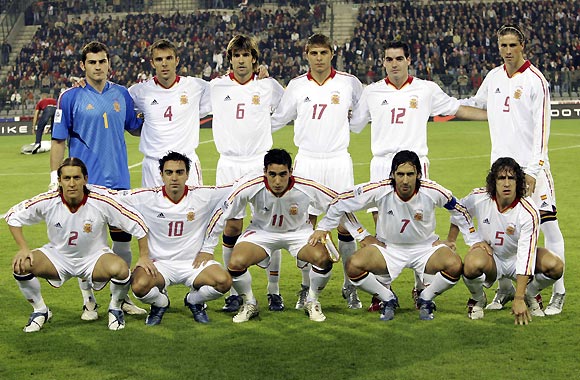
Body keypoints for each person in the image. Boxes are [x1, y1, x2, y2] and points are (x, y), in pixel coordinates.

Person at [349, 40, 487, 311]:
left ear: (409, 60)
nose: (394, 64)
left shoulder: (425, 89)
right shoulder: (372, 92)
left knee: (419, 224)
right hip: (382, 165)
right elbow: (353, 124)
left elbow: (456, 109)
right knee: (382, 230)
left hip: (416, 166)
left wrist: (495, 116)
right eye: (389, 59)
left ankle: (420, 285)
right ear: (383, 62)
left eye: (399, 58)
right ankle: (383, 290)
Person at [460, 24, 566, 315]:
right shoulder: (493, 76)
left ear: (523, 46)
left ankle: (559, 291)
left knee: (548, 228)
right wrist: (446, 104)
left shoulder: (536, 81)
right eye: (502, 45)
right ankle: (508, 289)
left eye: (512, 45)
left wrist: (533, 170)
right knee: (504, 232)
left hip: (531, 170)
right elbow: (478, 104)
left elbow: (542, 132)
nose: (507, 51)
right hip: (501, 172)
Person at [202, 149, 370, 323]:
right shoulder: (250, 185)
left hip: (299, 233)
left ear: (291, 172)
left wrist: (360, 234)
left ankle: (311, 301)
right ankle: (250, 303)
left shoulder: (306, 186)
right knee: (235, 263)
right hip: (261, 233)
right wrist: (207, 248)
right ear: (265, 172)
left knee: (323, 258)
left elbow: (338, 203)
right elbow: (221, 213)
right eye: (272, 174)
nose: (277, 181)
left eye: (283, 174)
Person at [310, 150, 480, 321]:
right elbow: (340, 201)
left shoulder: (433, 190)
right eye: (400, 174)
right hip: (388, 249)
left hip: (425, 248)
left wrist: (462, 239)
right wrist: (360, 234)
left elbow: (459, 209)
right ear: (392, 175)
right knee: (353, 266)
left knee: (455, 265)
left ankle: (426, 298)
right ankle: (387, 298)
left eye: (410, 174)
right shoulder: (380, 189)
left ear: (419, 175)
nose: (405, 180)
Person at [50, 41, 147, 318]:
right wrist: (54, 178)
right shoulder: (70, 97)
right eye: (92, 62)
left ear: (108, 64)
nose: (97, 67)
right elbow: (58, 140)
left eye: (102, 61)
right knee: (85, 245)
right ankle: (88, 300)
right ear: (83, 66)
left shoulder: (122, 94)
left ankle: (122, 298)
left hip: (119, 182)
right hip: (86, 186)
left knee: (122, 243)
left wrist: (154, 117)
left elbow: (135, 127)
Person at [6, 158, 155, 332]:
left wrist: (144, 256)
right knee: (21, 265)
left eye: (76, 178)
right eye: (67, 178)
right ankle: (40, 310)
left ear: (85, 179)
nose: (72, 183)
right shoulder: (48, 200)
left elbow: (137, 222)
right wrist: (23, 248)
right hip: (58, 257)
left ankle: (115, 307)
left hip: (94, 259)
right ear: (59, 181)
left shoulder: (101, 200)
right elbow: (13, 215)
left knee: (121, 269)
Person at [271, 33, 365, 310]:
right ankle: (305, 287)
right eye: (314, 53)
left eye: (324, 53)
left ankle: (350, 287)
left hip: (338, 160)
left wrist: (350, 121)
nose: (319, 58)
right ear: (306, 54)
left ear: (332, 54)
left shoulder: (349, 82)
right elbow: (278, 118)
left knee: (346, 225)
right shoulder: (297, 86)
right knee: (305, 227)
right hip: (308, 162)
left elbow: (361, 114)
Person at [209, 35, 285, 313]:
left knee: (270, 226)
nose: (241, 60)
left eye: (246, 55)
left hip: (258, 164)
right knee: (231, 227)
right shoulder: (216, 87)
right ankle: (231, 291)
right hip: (228, 164)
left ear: (254, 58)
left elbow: (286, 108)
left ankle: (273, 291)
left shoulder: (268, 86)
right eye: (236, 56)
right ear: (230, 59)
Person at [115, 152, 232, 325]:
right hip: (159, 264)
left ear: (187, 174)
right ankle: (160, 303)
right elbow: (111, 198)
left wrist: (208, 248)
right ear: (161, 175)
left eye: (179, 172)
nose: (174, 177)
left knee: (224, 282)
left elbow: (238, 188)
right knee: (139, 286)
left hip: (194, 263)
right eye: (169, 172)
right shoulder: (146, 197)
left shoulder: (204, 195)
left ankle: (195, 301)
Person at [450, 157, 563, 324]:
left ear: (519, 182)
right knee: (472, 263)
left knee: (555, 266)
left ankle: (529, 294)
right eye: (501, 178)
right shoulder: (479, 197)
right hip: (491, 258)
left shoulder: (529, 210)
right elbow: (459, 211)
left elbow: (526, 255)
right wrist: (468, 239)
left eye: (512, 178)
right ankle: (478, 299)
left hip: (517, 256)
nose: (507, 183)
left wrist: (519, 297)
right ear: (493, 181)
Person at [128, 39, 211, 187]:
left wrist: (259, 78)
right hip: (154, 166)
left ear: (177, 60)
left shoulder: (195, 86)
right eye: (159, 59)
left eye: (169, 58)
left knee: (192, 210)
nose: (164, 63)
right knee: (152, 210)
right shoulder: (139, 92)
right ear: (152, 63)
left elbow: (229, 87)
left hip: (186, 163)